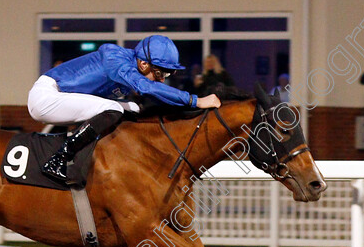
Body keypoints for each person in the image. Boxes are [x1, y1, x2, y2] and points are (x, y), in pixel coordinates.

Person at [28, 34, 221, 182]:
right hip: (47, 97)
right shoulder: (116, 60)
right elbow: (147, 87)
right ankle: (59, 159)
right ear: (144, 64)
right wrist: (195, 101)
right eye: (161, 73)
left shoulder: (135, 66)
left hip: (64, 97)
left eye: (167, 75)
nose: (163, 79)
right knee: (114, 108)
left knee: (134, 108)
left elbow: (152, 92)